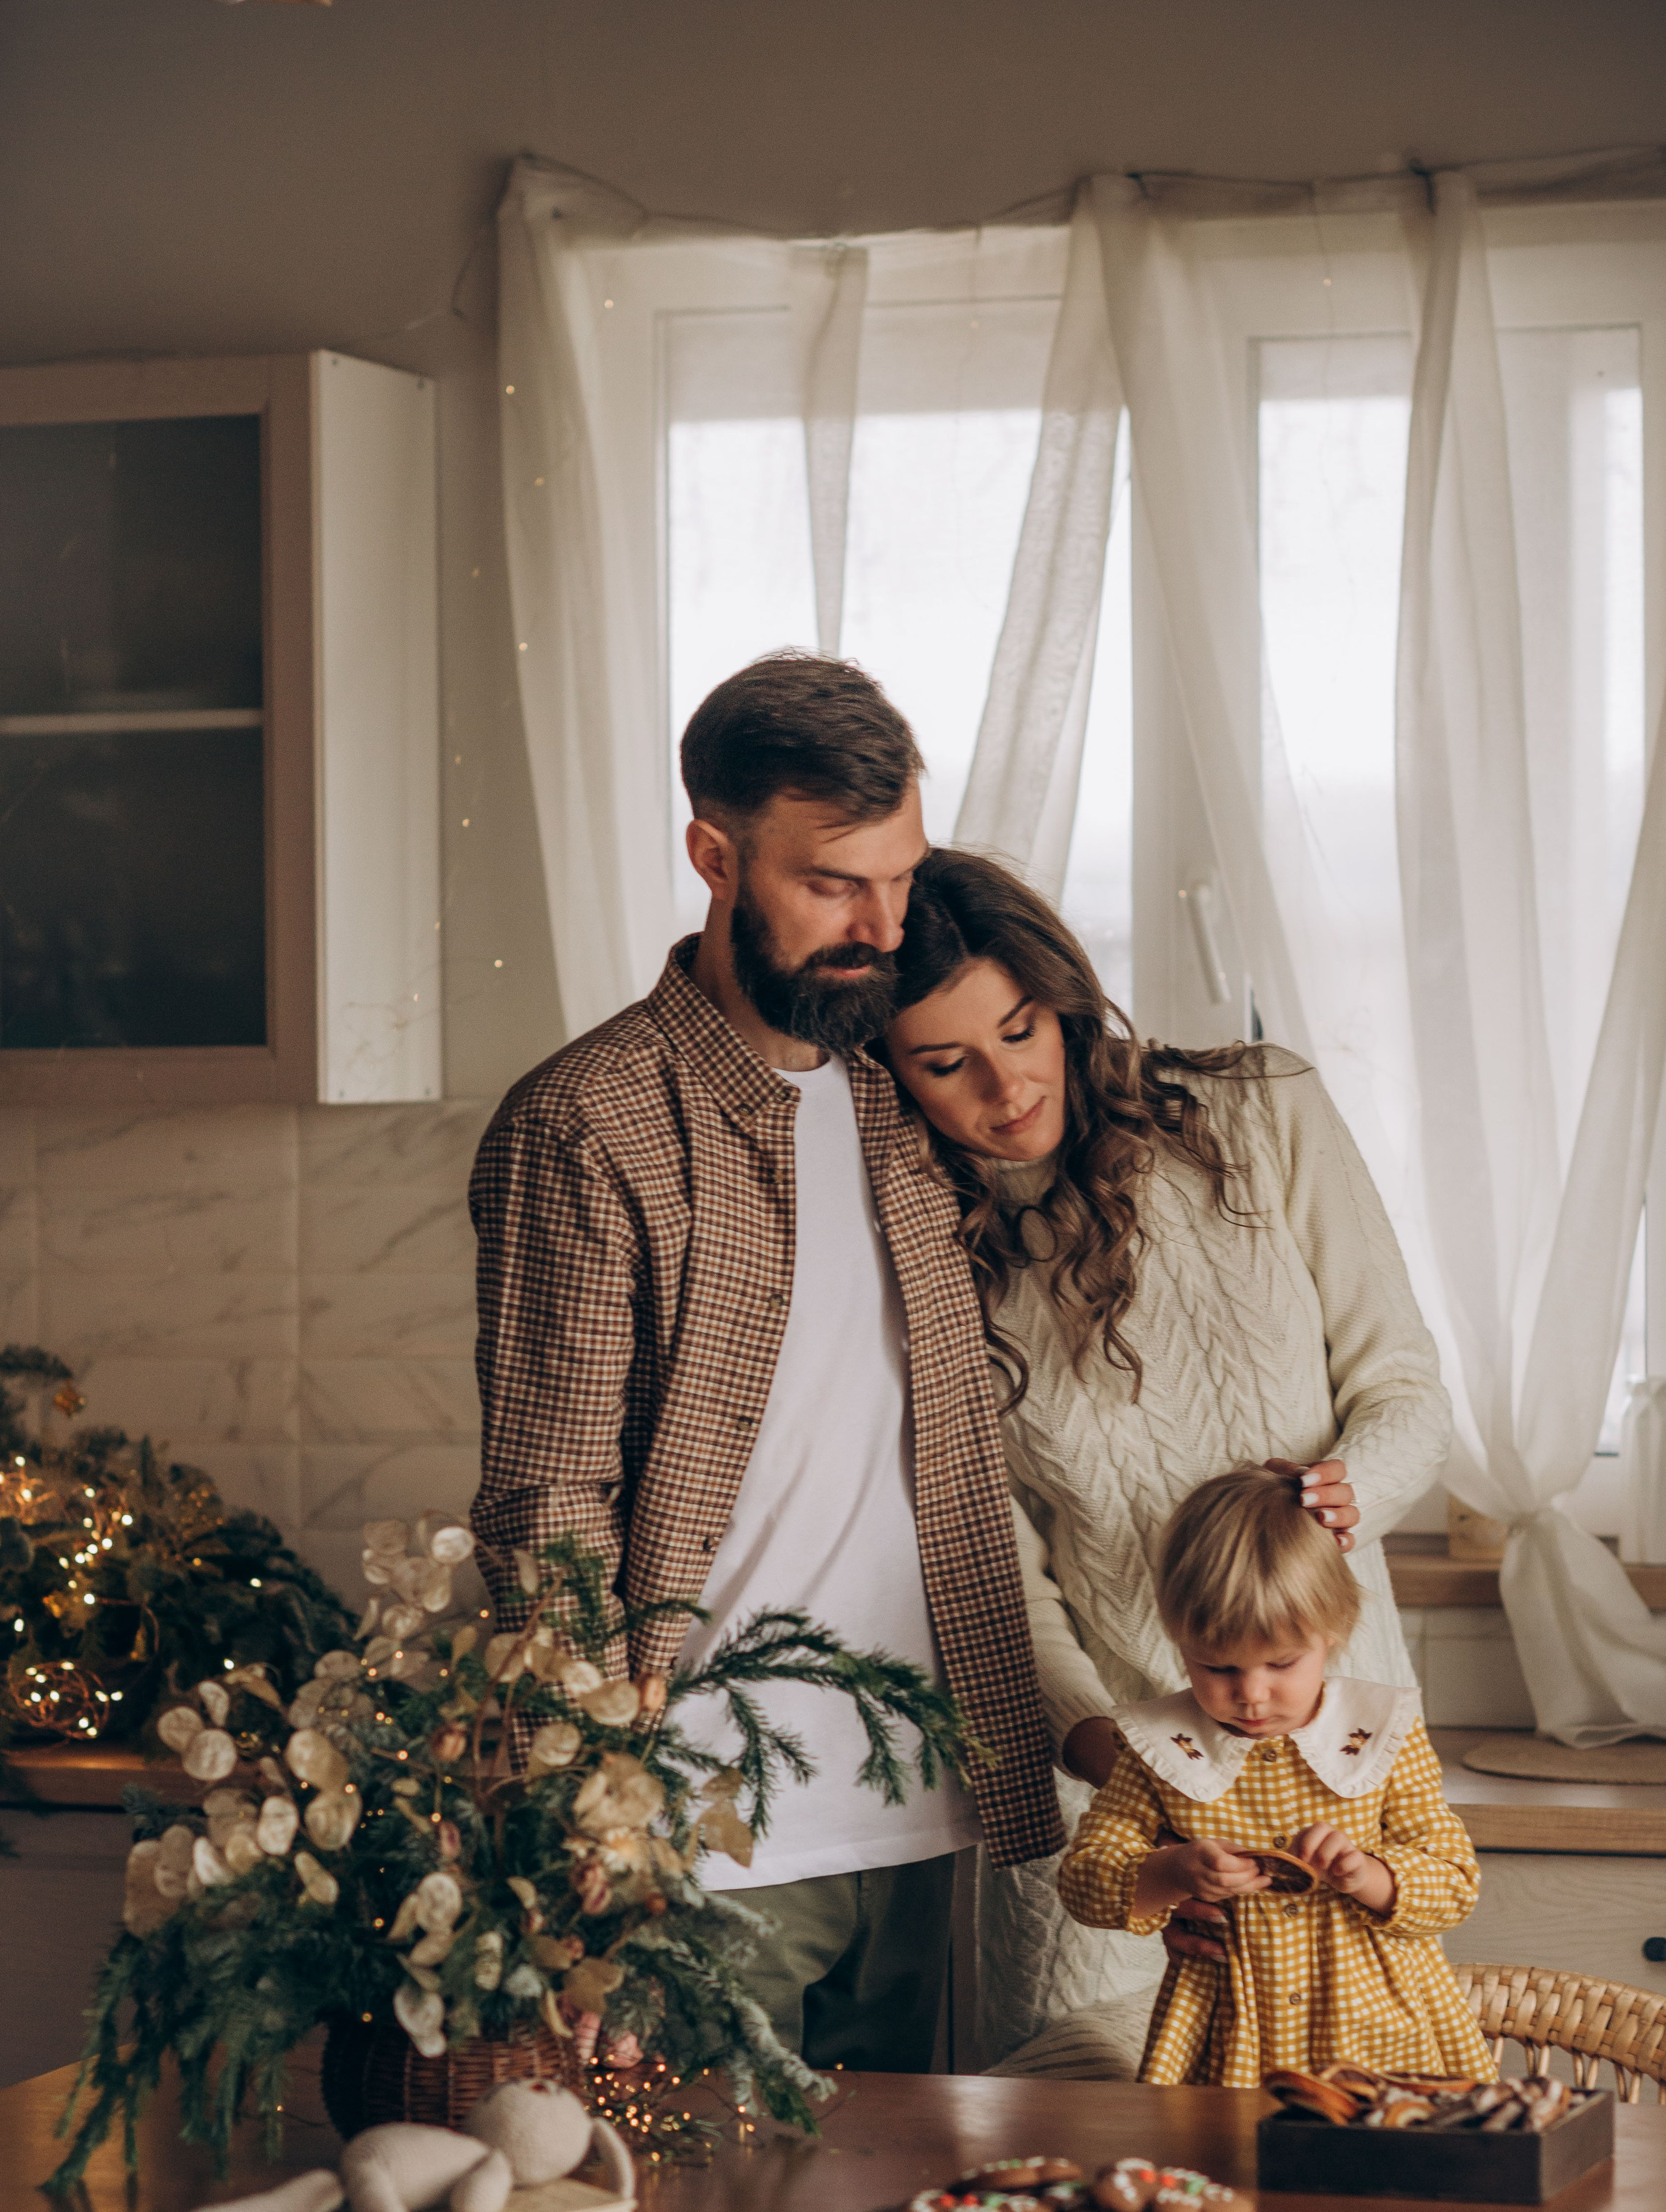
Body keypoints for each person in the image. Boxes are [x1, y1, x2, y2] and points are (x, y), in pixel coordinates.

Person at [469, 655, 1062, 2075]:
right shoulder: (587, 1123)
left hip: (929, 1800)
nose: (882, 926)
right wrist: (588, 1821)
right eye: (831, 885)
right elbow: (543, 1506)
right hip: (703, 1830)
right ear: (714, 858)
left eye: (900, 878)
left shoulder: (898, 1080)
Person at [882, 849, 1453, 2065]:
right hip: (1114, 1794)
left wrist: (1342, 1507)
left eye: (1022, 1028)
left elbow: (1401, 1386)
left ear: (1066, 997)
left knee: (1350, 2132)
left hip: (1331, 1751)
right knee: (1088, 2142)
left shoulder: (1260, 1111)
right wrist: (1113, 1754)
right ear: (890, 1074)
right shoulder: (922, 1242)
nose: (1006, 1083)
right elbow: (989, 1572)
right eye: (945, 1063)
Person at [1058, 1466, 1494, 2084]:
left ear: (1334, 1632)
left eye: (1282, 1663)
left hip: (1379, 2037)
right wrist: (1171, 1872)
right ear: (1178, 1639)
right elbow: (1083, 1881)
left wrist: (1366, 1874)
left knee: (1396, 2170)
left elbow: (1455, 1884)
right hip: (1227, 2041)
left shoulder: (1381, 1730)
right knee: (1225, 2170)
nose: (1252, 1695)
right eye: (1218, 1667)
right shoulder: (1157, 1747)